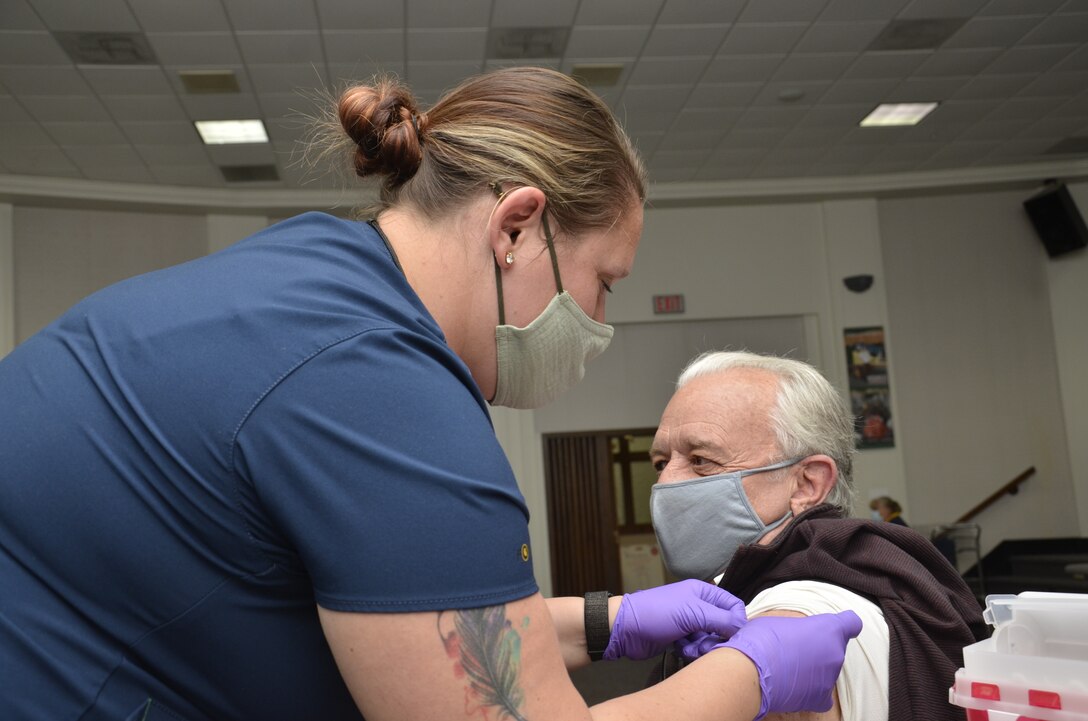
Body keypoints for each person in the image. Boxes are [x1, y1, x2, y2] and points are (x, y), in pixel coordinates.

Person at [0, 68, 859, 721]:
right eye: (603, 281)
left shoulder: (311, 273)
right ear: (516, 228)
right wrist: (752, 673)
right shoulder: (378, 387)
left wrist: (606, 621)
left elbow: (415, 623)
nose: (599, 321)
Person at [646, 350, 987, 721]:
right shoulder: (860, 571)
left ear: (807, 483)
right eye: (661, 463)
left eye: (701, 460)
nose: (666, 482)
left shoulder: (795, 614)